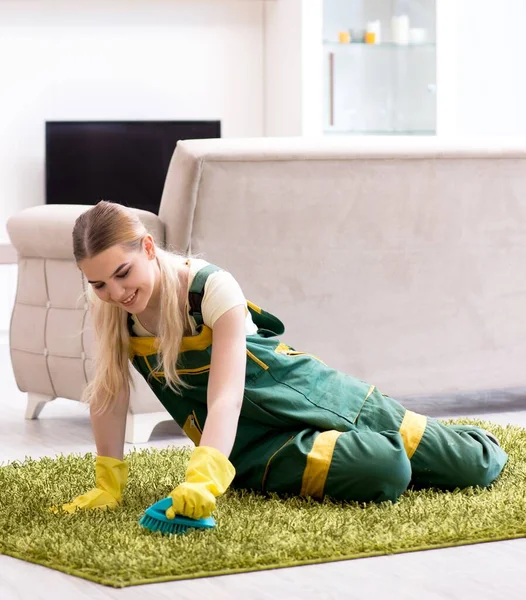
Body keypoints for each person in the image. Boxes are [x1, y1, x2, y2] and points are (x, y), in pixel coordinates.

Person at [60, 200, 508, 520]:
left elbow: (227, 396)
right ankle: (399, 461)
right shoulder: (113, 314)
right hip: (256, 446)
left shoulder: (211, 288)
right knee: (386, 468)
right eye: (98, 284)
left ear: (149, 249)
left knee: (477, 464)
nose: (116, 293)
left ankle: (453, 441)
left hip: (315, 394)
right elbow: (109, 392)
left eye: (123, 274)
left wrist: (203, 473)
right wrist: (108, 481)